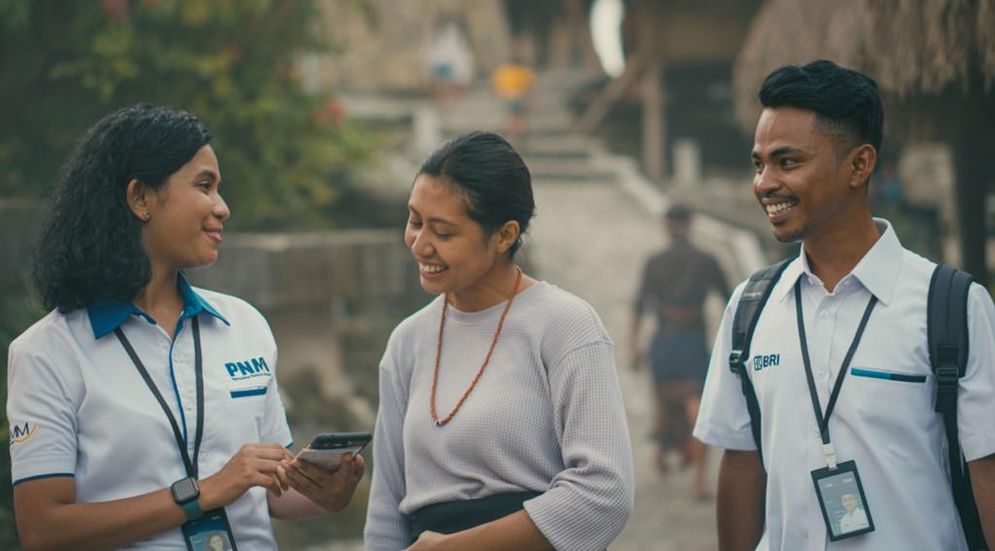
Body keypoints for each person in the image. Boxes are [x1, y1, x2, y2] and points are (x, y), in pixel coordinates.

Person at [7, 104, 365, 549]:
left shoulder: (244, 325)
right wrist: (202, 492)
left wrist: (327, 494)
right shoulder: (48, 352)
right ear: (140, 198)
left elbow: (275, 495)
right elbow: (43, 530)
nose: (223, 208)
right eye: (204, 186)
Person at [692, 60, 995, 549]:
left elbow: (987, 473)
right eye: (758, 163)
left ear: (859, 165)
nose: (764, 182)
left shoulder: (952, 307)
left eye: (787, 162)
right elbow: (742, 462)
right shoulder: (750, 309)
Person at [364, 131, 634, 550]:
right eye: (415, 221)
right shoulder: (407, 342)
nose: (420, 244)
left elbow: (603, 492)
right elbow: (386, 507)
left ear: (505, 235)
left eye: (444, 232)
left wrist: (456, 548)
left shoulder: (565, 325)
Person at [630, 203, 729, 496]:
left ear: (665, 225)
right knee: (696, 408)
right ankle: (699, 478)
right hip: (692, 341)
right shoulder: (707, 260)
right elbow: (730, 301)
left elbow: (639, 305)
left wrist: (634, 346)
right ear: (691, 223)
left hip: (663, 341)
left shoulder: (655, 261)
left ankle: (660, 455)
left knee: (662, 401)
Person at [491, 56, 536, 142]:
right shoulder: (522, 70)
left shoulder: (507, 71)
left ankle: (515, 136)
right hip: (516, 97)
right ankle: (516, 136)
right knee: (515, 118)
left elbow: (498, 86)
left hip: (514, 97)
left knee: (514, 118)